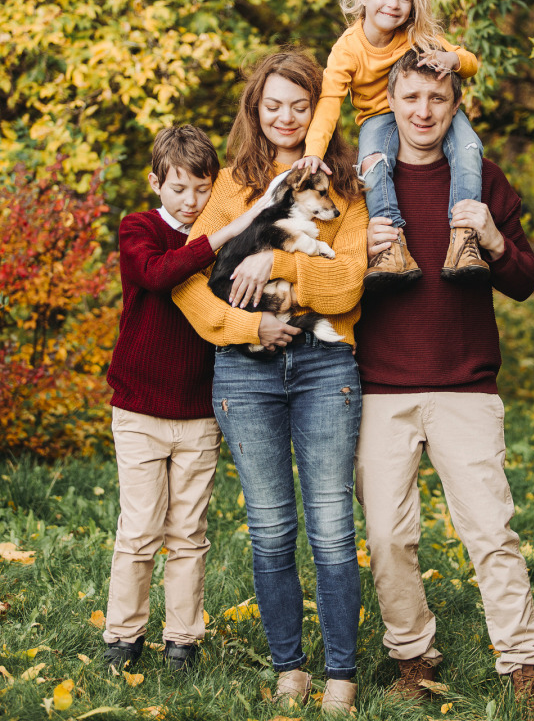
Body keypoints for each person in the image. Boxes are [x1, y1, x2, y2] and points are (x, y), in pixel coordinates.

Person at [353, 50, 534, 712]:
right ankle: (413, 657)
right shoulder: (360, 185)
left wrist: (495, 239)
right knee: (387, 536)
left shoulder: (481, 179)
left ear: (454, 103)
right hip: (380, 387)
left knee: (491, 531)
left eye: (437, 100)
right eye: (410, 98)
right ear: (391, 98)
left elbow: (525, 281)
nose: (422, 112)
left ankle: (524, 661)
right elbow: (321, 282)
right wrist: (359, 255)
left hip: (466, 385)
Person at [173, 51, 368, 715]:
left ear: (321, 110)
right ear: (254, 112)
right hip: (245, 371)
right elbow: (185, 279)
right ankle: (291, 666)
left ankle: (341, 670)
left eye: (300, 104)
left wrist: (278, 259)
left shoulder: (345, 187)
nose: (286, 117)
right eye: (272, 106)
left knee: (333, 527)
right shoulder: (230, 184)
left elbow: (346, 285)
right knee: (270, 527)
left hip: (324, 365)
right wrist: (242, 328)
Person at [104, 125, 270, 672]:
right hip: (139, 407)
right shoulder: (140, 229)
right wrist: (223, 235)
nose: (192, 201)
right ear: (157, 183)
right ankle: (123, 637)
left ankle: (183, 641)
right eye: (179, 189)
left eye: (202, 189)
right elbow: (158, 274)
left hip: (198, 410)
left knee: (188, 532)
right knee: (140, 528)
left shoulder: (220, 232)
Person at [294, 0, 488, 287]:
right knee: (372, 162)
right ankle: (391, 246)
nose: (393, 4)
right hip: (378, 116)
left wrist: (450, 59)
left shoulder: (415, 36)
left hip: (421, 108)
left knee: (470, 146)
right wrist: (313, 150)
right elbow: (329, 101)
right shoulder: (347, 49)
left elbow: (469, 61)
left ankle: (463, 237)